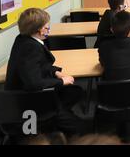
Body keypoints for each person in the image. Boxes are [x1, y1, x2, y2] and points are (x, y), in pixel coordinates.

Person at [5, 8, 83, 136]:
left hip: (18, 99)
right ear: (39, 30)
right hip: (30, 103)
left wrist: (55, 72)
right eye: (47, 27)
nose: (48, 29)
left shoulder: (22, 39)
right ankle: (54, 121)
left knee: (74, 91)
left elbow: (38, 65)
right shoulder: (32, 48)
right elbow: (33, 84)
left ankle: (57, 118)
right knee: (78, 126)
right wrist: (61, 81)